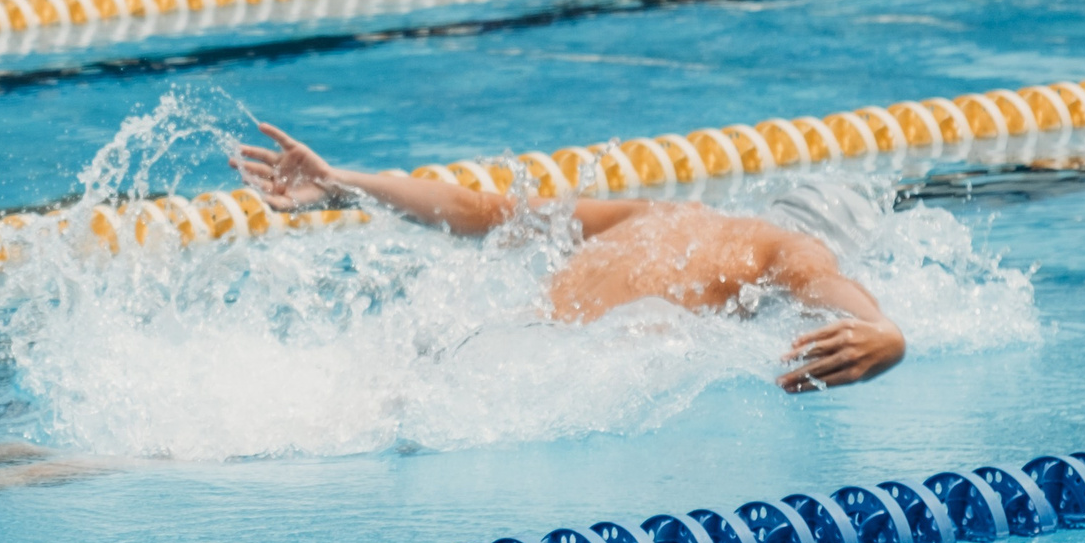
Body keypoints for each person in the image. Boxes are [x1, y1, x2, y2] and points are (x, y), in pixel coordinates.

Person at [232, 122, 908, 391]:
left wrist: (346, 183)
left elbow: (480, 211)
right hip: (535, 378)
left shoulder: (667, 213)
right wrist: (885, 332)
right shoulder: (788, 248)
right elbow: (825, 284)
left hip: (480, 343)